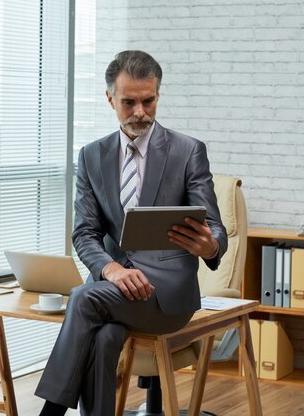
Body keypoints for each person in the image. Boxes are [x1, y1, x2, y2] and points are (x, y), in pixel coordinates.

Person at [35, 50, 227, 416]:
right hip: (116, 286)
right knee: (104, 338)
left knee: (82, 297)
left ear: (157, 95)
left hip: (168, 293)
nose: (140, 111)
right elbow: (85, 233)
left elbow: (215, 225)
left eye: (148, 100)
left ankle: (50, 413)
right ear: (110, 98)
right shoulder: (92, 155)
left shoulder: (187, 151)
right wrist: (112, 270)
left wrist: (211, 244)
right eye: (129, 102)